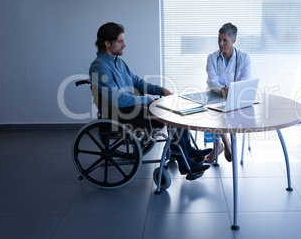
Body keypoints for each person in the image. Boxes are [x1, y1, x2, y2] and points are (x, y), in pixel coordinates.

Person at [89, 22, 211, 176]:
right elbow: (117, 100)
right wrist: (147, 100)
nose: (124, 45)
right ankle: (184, 162)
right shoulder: (99, 67)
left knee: (177, 108)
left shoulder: (118, 62)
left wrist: (161, 90)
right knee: (172, 116)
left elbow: (138, 82)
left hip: (131, 108)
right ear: (107, 43)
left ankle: (188, 152)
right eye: (120, 41)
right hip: (120, 114)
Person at [204, 22, 252, 162]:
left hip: (235, 97)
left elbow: (245, 81)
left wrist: (232, 90)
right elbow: (211, 81)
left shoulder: (244, 58)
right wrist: (221, 89)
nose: (220, 43)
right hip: (216, 94)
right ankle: (224, 144)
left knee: (224, 111)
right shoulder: (212, 57)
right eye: (219, 39)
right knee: (212, 110)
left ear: (234, 41)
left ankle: (219, 146)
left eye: (225, 40)